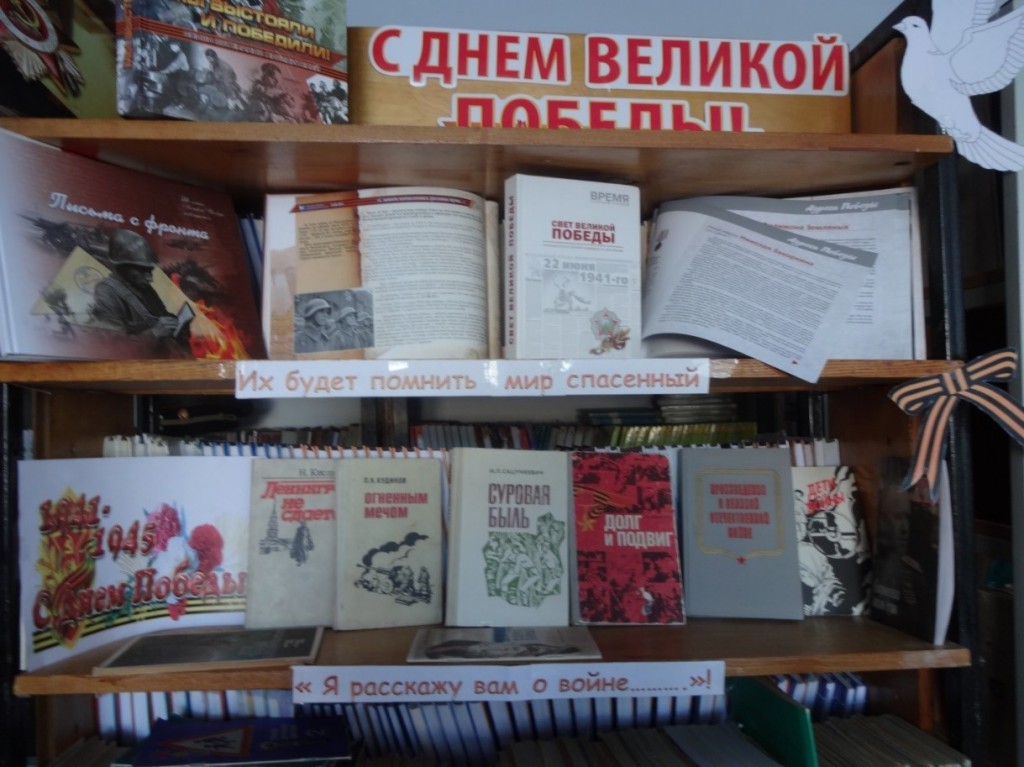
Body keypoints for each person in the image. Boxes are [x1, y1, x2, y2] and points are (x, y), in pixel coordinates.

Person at [90, 230, 189, 348]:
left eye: (150, 271)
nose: (150, 278)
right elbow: (111, 345)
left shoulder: (143, 287)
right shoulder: (106, 293)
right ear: (122, 267)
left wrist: (175, 323)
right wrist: (153, 334)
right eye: (142, 271)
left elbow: (161, 314)